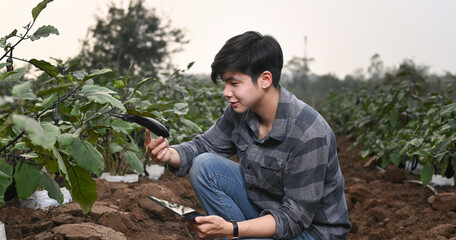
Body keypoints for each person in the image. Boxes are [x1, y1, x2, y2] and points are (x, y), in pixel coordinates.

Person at [145, 31, 351, 240]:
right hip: (267, 211)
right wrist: (168, 154)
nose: (226, 92)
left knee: (239, 230)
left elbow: (294, 218)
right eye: (225, 83)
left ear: (265, 79)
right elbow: (205, 146)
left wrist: (231, 228)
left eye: (234, 84)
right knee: (204, 166)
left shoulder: (308, 134)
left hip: (310, 232)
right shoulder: (240, 112)